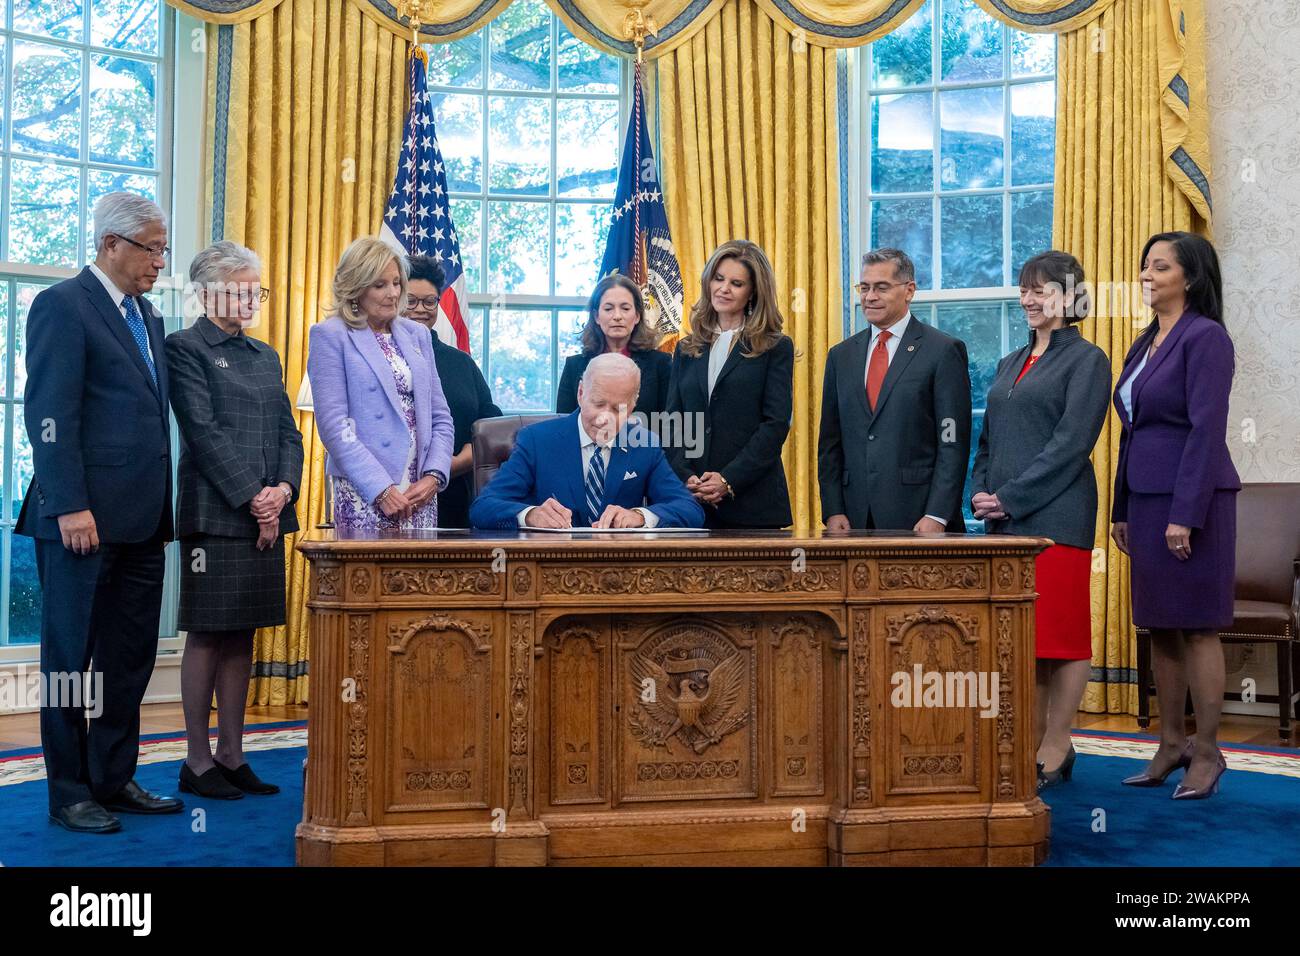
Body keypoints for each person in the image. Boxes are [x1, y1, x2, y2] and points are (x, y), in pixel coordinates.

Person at [17, 192, 183, 833]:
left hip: (143, 521)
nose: (160, 262)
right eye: (152, 248)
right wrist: (72, 505)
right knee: (69, 662)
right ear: (112, 244)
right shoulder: (62, 305)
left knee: (127, 656)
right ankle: (68, 792)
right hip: (79, 520)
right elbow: (50, 416)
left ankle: (113, 778)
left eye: (164, 249)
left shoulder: (150, 317)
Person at [165, 240, 304, 799]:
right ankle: (196, 762)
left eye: (257, 289)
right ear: (206, 290)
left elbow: (287, 433)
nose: (253, 298)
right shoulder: (185, 347)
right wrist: (255, 497)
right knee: (208, 633)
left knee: (242, 633)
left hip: (265, 514)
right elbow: (201, 432)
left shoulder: (266, 355)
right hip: (216, 513)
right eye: (243, 287)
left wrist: (284, 491)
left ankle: (231, 754)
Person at [970, 250, 1111, 790]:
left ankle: (1058, 744)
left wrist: (1011, 497)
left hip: (1058, 515)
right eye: (1024, 289)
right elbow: (988, 440)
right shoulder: (1009, 361)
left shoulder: (1088, 360)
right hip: (1004, 520)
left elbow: (1072, 445)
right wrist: (983, 491)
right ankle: (1029, 742)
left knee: (1063, 637)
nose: (1029, 298)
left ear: (1070, 296)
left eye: (1042, 289)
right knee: (1025, 640)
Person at [1112, 232, 1240, 800]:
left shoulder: (1206, 337)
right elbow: (1132, 429)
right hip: (1145, 499)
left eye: (1159, 267)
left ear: (1188, 277)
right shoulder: (1145, 343)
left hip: (1195, 500)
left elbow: (1206, 429)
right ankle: (1170, 744)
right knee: (1159, 625)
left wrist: (1185, 515)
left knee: (1198, 625)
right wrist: (1121, 508)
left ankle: (1208, 753)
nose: (1146, 274)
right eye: (1144, 265)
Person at [307, 237, 455, 531]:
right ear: (356, 288)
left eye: (397, 283)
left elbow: (441, 418)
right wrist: (381, 489)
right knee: (368, 576)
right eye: (380, 285)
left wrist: (434, 476)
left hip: (419, 490)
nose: (393, 293)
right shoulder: (330, 335)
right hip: (367, 489)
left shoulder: (418, 335)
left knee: (419, 577)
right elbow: (335, 427)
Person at [819, 248, 971, 532]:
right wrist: (832, 510)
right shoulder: (841, 356)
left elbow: (952, 442)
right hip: (853, 519)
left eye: (881, 287)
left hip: (919, 518)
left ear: (909, 290)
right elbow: (829, 441)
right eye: (864, 288)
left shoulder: (943, 351)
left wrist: (938, 514)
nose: (870, 296)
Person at [470, 353, 704, 530]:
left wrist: (640, 516)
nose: (605, 418)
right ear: (581, 393)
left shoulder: (644, 444)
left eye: (618, 408)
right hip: (549, 570)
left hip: (620, 573)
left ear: (633, 407)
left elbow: (691, 510)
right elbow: (483, 508)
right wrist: (530, 514)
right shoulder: (536, 441)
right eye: (599, 404)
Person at [665, 240, 793, 528]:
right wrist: (686, 476)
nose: (723, 288)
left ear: (753, 293)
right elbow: (674, 422)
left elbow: (775, 425)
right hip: (692, 504)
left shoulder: (775, 347)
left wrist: (728, 480)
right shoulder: (686, 348)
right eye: (719, 278)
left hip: (753, 505)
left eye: (736, 283)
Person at [404, 255, 500, 527]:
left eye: (429, 301)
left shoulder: (461, 363)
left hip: (456, 497)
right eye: (410, 301)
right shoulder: (384, 358)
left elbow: (490, 424)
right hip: (396, 497)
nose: (420, 309)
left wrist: (456, 464)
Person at [557, 274, 671, 421]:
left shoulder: (661, 364)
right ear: (596, 316)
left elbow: (669, 425)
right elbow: (564, 425)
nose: (617, 316)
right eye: (609, 308)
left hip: (642, 442)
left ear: (637, 316)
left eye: (625, 308)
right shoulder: (574, 366)